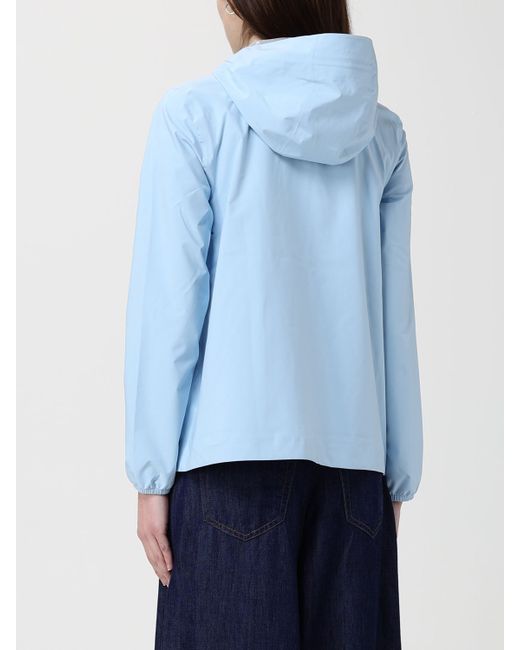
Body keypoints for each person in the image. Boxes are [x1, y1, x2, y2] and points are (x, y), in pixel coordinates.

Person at [124, 1, 423, 647]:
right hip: (355, 478)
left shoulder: (193, 116)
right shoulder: (383, 135)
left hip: (227, 474)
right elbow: (395, 321)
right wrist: (395, 475)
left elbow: (170, 307)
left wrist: (151, 476)